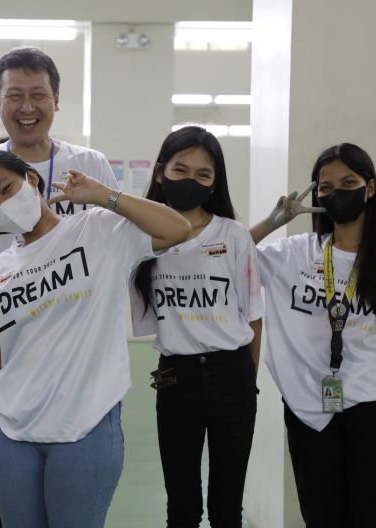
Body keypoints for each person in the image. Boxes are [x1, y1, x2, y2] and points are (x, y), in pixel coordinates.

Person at [0, 149, 190, 527]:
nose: (2, 205)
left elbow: (177, 229)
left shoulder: (97, 229)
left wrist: (104, 195)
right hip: (12, 434)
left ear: (31, 179)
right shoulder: (0, 268)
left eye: (5, 188)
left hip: (84, 429)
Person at [0, 46, 120, 526]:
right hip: (1, 353)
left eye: (38, 95)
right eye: (14, 96)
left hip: (75, 358)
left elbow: (117, 244)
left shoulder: (89, 164)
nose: (27, 107)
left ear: (56, 99)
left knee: (71, 487)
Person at [250, 143, 376, 527]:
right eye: (325, 187)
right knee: (321, 516)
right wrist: (273, 222)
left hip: (374, 411)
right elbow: (227, 254)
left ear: (369, 188)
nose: (336, 193)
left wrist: (363, 383)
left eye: (348, 183)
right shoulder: (293, 253)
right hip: (309, 411)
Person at [130, 126, 262, 527]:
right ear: (160, 173)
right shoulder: (139, 240)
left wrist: (247, 380)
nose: (190, 181)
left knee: (227, 507)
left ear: (215, 183)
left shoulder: (234, 235)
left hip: (232, 375)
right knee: (182, 506)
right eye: (180, 170)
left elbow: (254, 317)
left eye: (203, 175)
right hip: (175, 378)